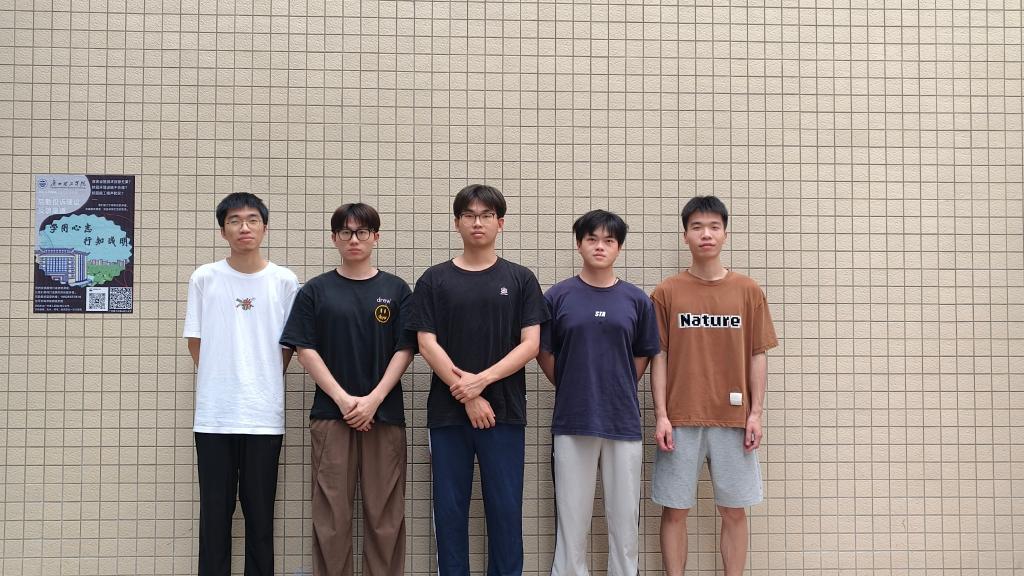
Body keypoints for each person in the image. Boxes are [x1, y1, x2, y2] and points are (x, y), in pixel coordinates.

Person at [409, 183, 549, 576]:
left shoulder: (521, 279)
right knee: (449, 511)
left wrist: (480, 382)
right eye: (469, 215)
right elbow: (426, 343)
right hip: (448, 415)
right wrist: (468, 395)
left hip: (505, 413)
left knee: (505, 510)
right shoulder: (434, 280)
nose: (478, 222)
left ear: (500, 223)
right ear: (457, 222)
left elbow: (531, 345)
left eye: (487, 215)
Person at [280, 203, 415, 576]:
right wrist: (343, 400)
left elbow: (406, 348)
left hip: (384, 415)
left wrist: (374, 400)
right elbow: (304, 348)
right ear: (334, 238)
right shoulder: (316, 290)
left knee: (385, 517)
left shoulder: (396, 289)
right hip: (331, 416)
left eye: (362, 232)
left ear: (376, 237)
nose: (354, 239)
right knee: (331, 517)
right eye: (345, 232)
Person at [650, 196, 778, 576]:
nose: (705, 234)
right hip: (680, 419)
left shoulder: (748, 291)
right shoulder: (667, 292)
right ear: (685, 236)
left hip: (734, 419)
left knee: (734, 510)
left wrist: (755, 414)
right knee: (675, 510)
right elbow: (659, 357)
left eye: (713, 227)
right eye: (697, 227)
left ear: (725, 233)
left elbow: (757, 354)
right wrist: (661, 415)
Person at [537, 210, 660, 576]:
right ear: (579, 244)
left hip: (623, 421)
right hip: (573, 418)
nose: (600, 246)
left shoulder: (636, 300)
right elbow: (544, 351)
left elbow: (643, 354)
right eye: (592, 239)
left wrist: (617, 384)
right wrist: (571, 382)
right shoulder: (558, 296)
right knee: (572, 521)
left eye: (609, 240)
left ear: (619, 247)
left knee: (624, 521)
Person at [183, 192, 300, 576]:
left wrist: (261, 379)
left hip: (263, 416)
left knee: (260, 515)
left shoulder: (284, 281)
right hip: (214, 417)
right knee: (214, 514)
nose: (243, 227)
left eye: (252, 219)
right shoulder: (204, 277)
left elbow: (289, 346)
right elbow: (195, 341)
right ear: (223, 231)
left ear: (264, 227)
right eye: (234, 220)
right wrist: (222, 379)